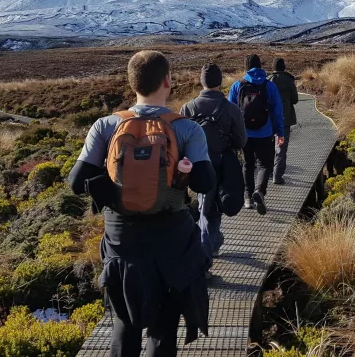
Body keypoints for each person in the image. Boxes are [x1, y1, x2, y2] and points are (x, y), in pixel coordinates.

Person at [68, 50, 214, 357]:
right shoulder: (187, 128)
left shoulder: (106, 126)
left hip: (122, 242)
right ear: (167, 81)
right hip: (172, 242)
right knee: (163, 331)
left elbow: (75, 182)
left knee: (124, 325)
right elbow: (206, 184)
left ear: (132, 82)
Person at [180, 63, 247, 264]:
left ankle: (212, 246)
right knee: (212, 209)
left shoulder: (187, 108)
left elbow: (181, 142)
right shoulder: (231, 108)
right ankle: (207, 256)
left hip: (198, 165)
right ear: (220, 81)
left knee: (205, 207)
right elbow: (241, 141)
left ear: (202, 82)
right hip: (224, 163)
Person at [228, 54, 286, 216]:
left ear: (246, 67)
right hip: (265, 132)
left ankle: (247, 198)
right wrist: (280, 132)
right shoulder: (269, 86)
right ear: (260, 66)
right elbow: (277, 111)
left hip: (244, 133)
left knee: (247, 165)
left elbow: (231, 112)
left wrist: (233, 133)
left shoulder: (237, 86)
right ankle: (259, 191)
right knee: (265, 165)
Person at [268, 58, 299, 185]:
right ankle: (277, 175)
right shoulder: (289, 80)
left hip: (269, 119)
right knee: (281, 148)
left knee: (269, 147)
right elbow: (295, 100)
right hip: (284, 119)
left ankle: (268, 172)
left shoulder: (268, 80)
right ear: (284, 67)